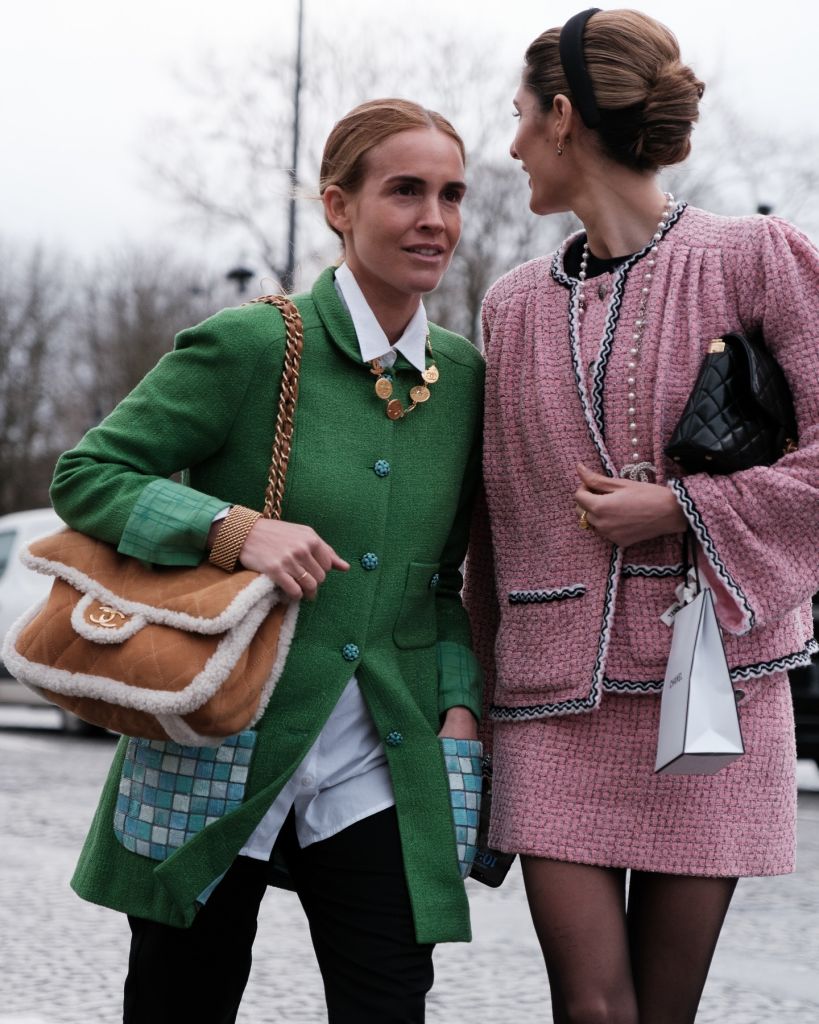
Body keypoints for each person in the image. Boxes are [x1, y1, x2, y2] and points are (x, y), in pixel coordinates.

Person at [50, 97, 485, 1024]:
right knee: (182, 1001)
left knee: (388, 1004)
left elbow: (440, 582)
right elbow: (87, 475)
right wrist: (230, 528)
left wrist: (458, 705)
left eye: (452, 194)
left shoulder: (466, 383)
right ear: (338, 206)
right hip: (223, 732)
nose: (434, 220)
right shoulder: (252, 345)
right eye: (405, 191)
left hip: (385, 754)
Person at [465, 9, 819, 1023]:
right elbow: (495, 521)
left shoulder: (755, 259)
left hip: (714, 692)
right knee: (592, 1009)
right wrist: (478, 698)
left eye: (520, 116)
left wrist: (682, 506)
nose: (512, 143)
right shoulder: (510, 304)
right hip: (548, 701)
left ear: (565, 117)